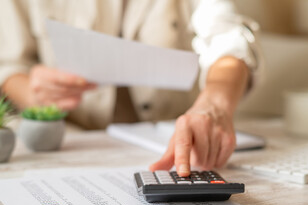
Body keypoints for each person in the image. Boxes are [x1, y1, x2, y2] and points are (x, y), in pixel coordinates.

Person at [0, 0, 262, 176]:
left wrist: (214, 102)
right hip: (67, 150)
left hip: (174, 150)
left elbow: (229, 36)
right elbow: (9, 64)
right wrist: (33, 92)